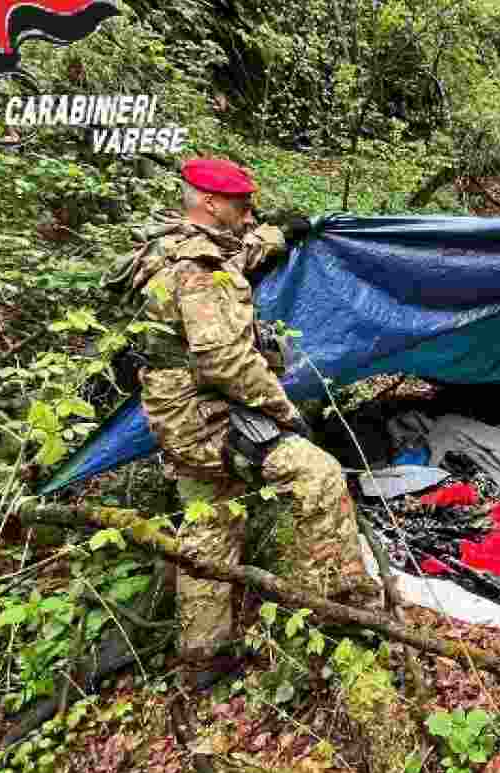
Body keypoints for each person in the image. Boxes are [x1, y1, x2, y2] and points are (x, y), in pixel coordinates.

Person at [101, 158, 372, 686]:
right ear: (208, 203)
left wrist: (278, 234)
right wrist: (285, 412)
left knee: (209, 519)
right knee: (319, 476)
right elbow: (224, 361)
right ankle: (334, 617)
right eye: (240, 205)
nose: (249, 214)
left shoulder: (168, 248)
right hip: (208, 420)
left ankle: (204, 657)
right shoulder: (201, 271)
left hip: (172, 418)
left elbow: (241, 250)